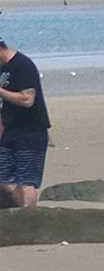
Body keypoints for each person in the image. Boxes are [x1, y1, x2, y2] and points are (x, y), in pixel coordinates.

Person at [0, 40, 51, 208]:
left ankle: (29, 220)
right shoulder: (3, 69)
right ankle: (24, 212)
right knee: (4, 178)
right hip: (10, 131)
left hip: (31, 131)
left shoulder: (23, 65)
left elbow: (28, 99)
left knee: (27, 181)